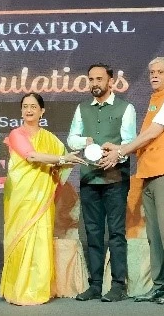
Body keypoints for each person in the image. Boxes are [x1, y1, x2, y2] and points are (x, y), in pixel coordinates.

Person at [101, 56, 164, 305]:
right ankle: (160, 285)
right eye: (152, 72)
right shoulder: (155, 99)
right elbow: (145, 138)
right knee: (155, 234)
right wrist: (120, 148)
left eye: (160, 72)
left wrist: (121, 151)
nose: (154, 76)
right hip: (149, 172)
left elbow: (153, 133)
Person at [0, 93, 85, 305]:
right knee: (20, 239)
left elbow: (63, 164)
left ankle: (38, 289)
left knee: (40, 239)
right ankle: (17, 290)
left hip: (42, 197)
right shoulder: (16, 134)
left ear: (42, 111)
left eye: (33, 106)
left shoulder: (50, 139)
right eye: (25, 106)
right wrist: (62, 158)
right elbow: (31, 156)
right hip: (20, 196)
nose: (29, 110)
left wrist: (79, 154)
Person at [66, 63, 137, 302]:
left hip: (115, 179)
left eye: (99, 79)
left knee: (116, 233)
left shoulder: (126, 108)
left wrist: (116, 155)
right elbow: (71, 139)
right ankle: (95, 284)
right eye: (91, 79)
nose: (95, 83)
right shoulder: (82, 108)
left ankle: (118, 285)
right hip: (89, 178)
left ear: (110, 81)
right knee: (93, 232)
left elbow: (129, 142)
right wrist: (86, 141)